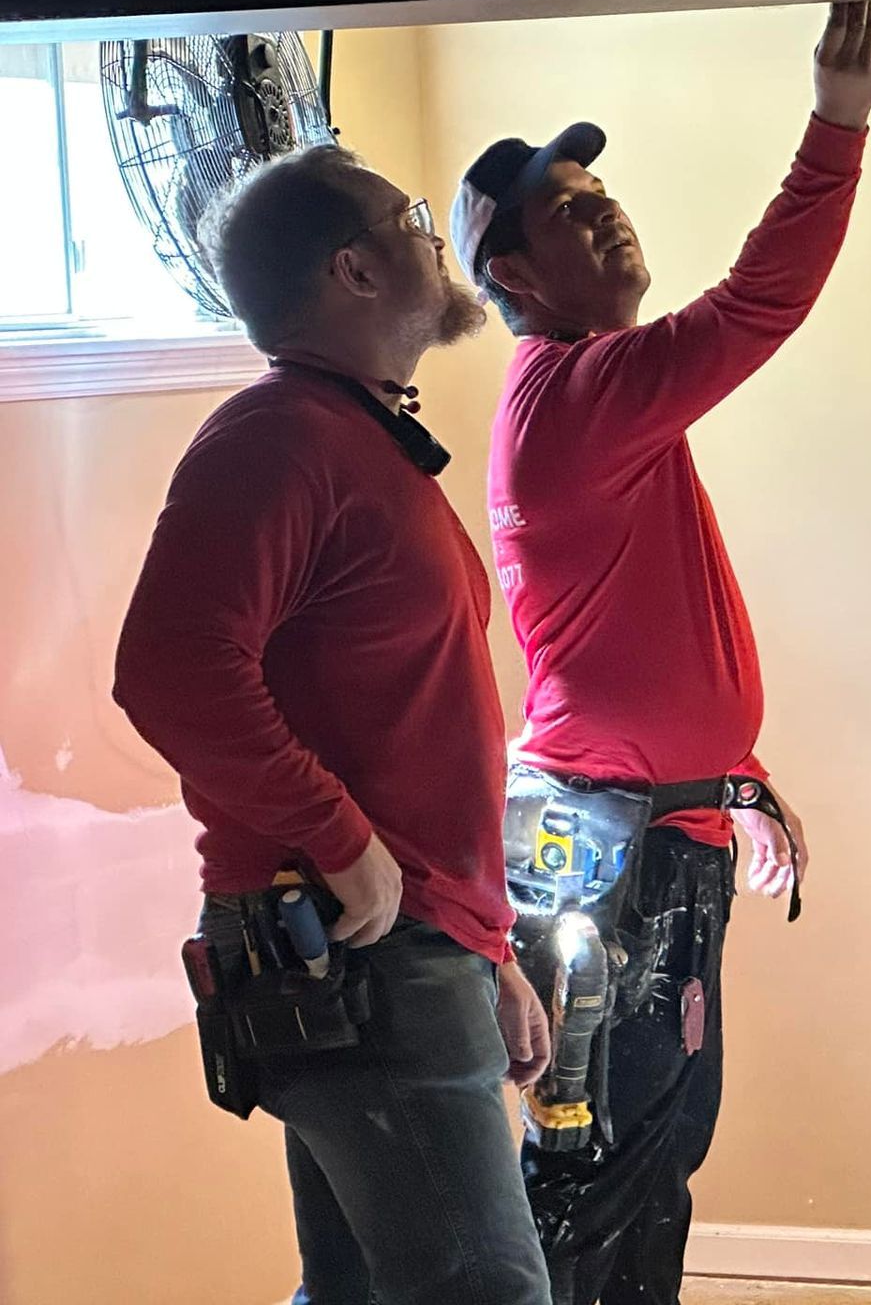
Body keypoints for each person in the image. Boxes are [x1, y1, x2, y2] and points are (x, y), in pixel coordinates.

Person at [449, 1, 871, 1305]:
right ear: (515, 276)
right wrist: (840, 124)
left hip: (639, 826)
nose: (606, 215)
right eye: (565, 213)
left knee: (646, 1149)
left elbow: (639, 637)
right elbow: (760, 305)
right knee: (605, 1159)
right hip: (605, 841)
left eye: (601, 192)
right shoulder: (579, 395)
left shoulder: (596, 396)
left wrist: (729, 775)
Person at [114, 145, 552, 1305]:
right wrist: (343, 839)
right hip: (355, 950)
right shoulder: (279, 439)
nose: (431, 234)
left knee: (360, 1289)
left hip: (406, 944)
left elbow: (414, 725)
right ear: (353, 269)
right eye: (409, 218)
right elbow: (169, 670)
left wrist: (486, 949)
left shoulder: (362, 437)